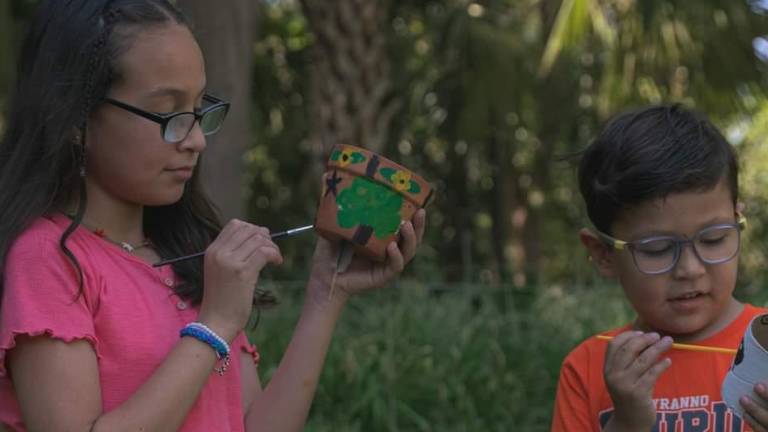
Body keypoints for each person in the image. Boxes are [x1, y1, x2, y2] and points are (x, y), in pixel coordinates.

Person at [0, 1, 426, 431]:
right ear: (77, 117)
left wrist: (325, 294)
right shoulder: (49, 259)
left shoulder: (188, 255)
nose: (196, 141)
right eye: (169, 114)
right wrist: (213, 325)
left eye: (200, 110)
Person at [550, 104, 768, 431]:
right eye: (657, 249)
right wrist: (625, 424)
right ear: (603, 254)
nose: (690, 269)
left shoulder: (764, 344)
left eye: (713, 239)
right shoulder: (588, 369)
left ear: (736, 222)